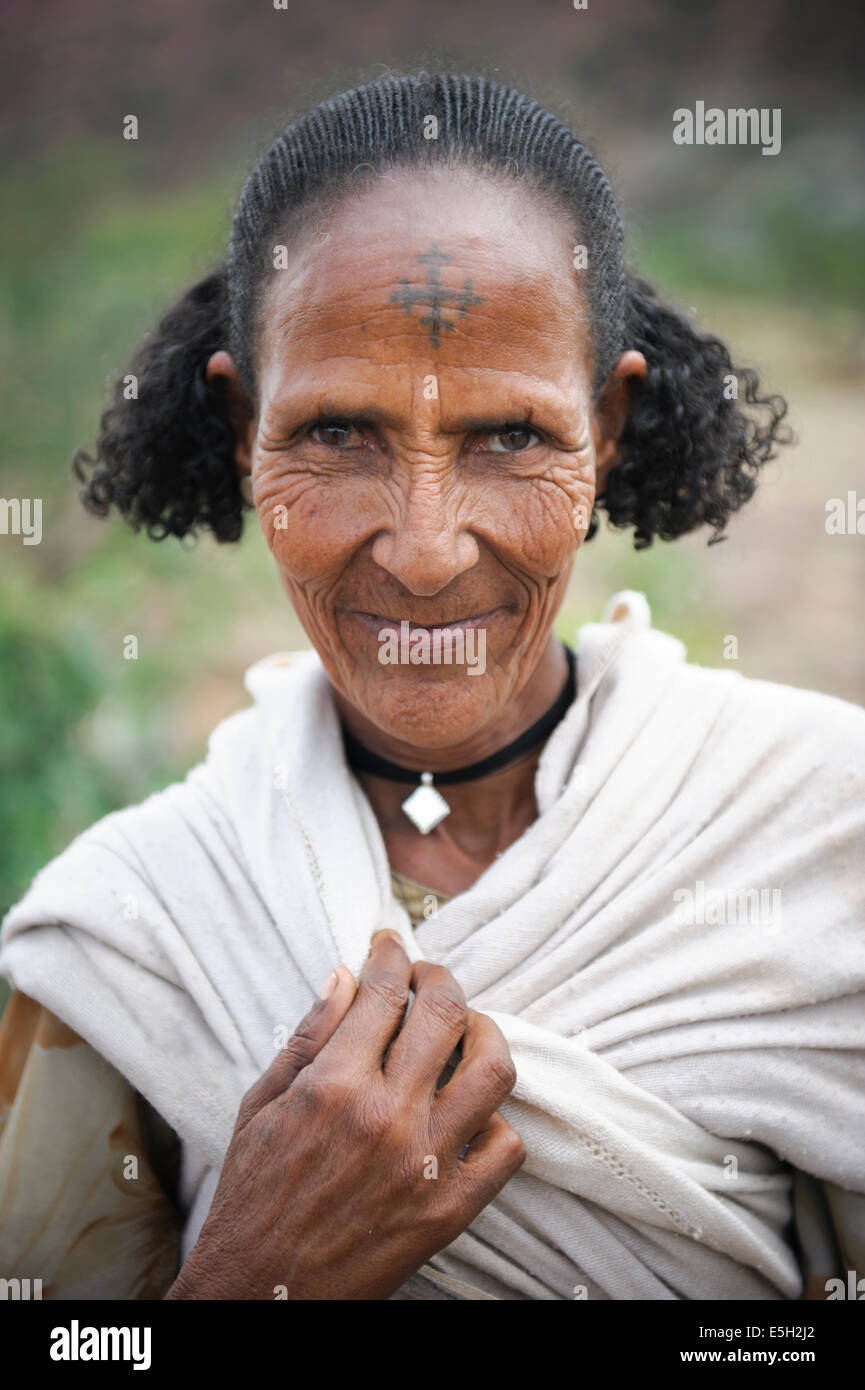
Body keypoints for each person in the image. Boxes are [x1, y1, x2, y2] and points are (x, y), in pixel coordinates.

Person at [1, 72, 863, 1301]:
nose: (424, 548)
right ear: (245, 428)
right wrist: (253, 1272)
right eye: (338, 433)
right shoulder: (135, 935)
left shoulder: (822, 834)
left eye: (508, 437)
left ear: (605, 430)